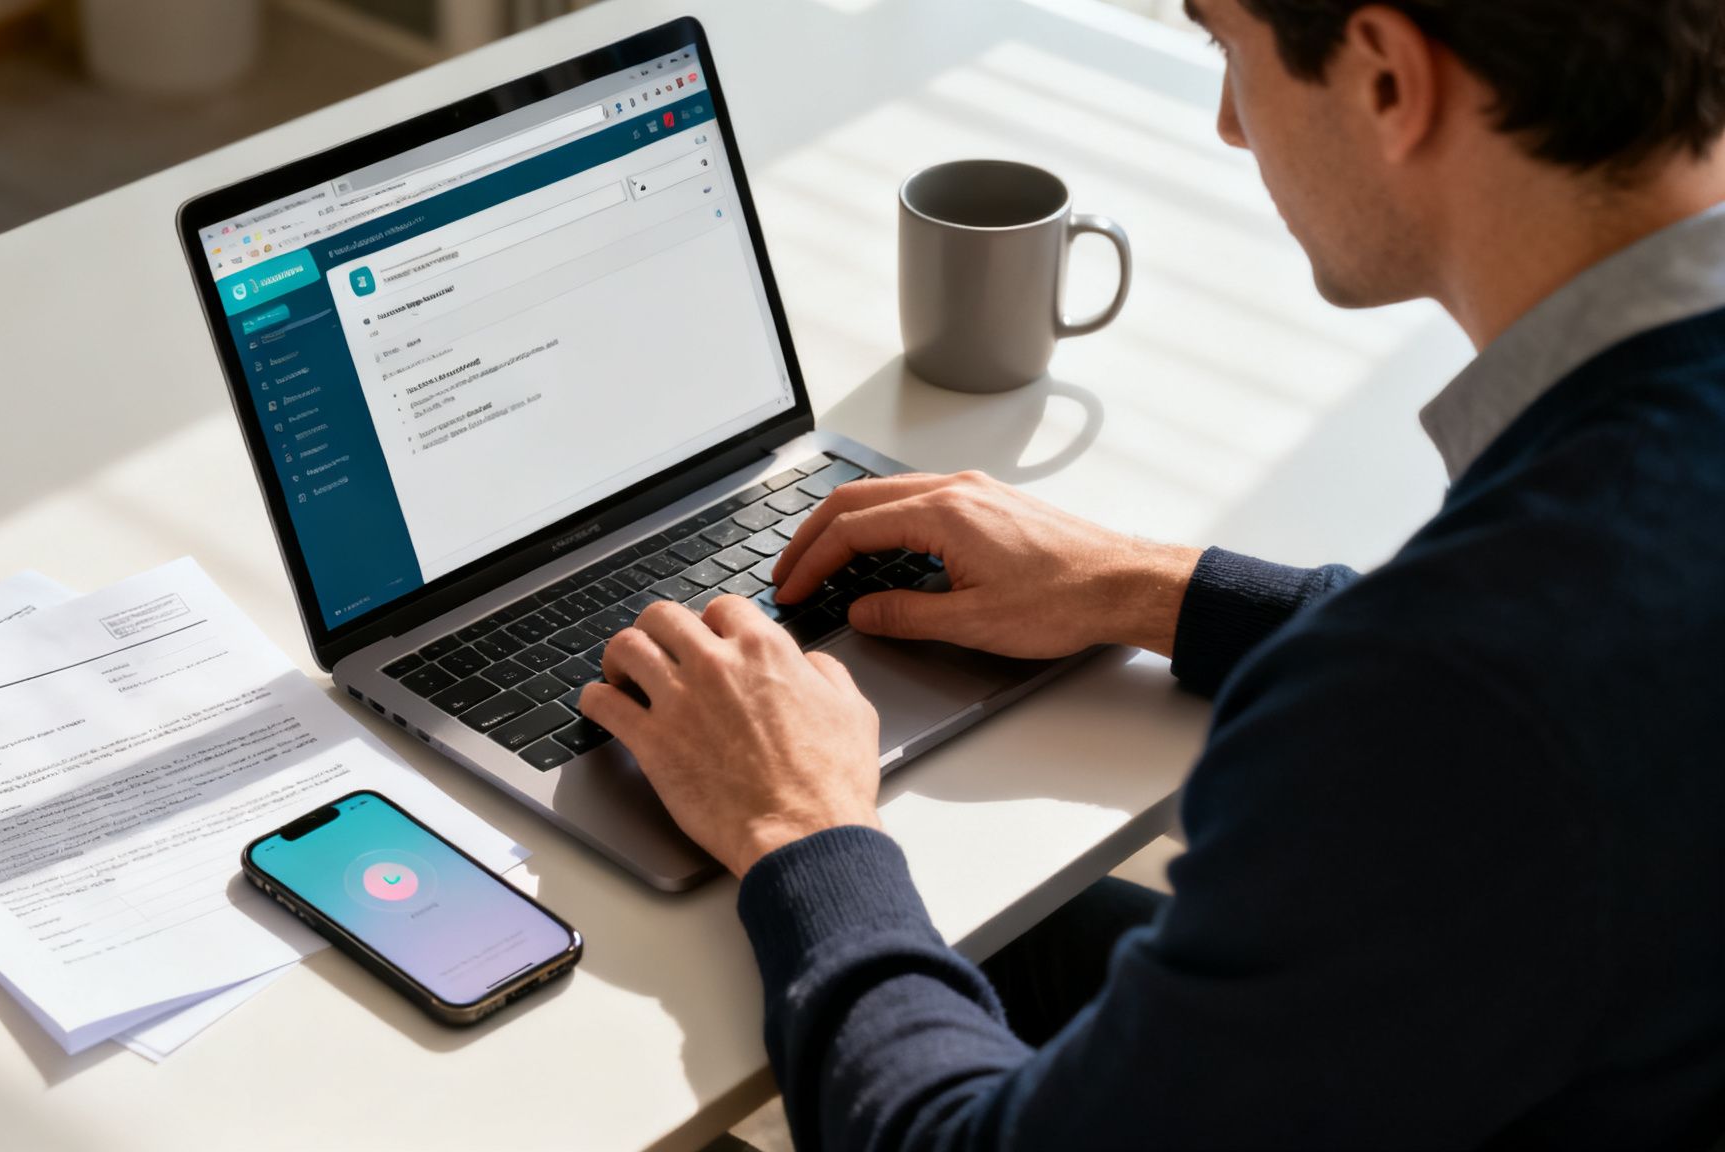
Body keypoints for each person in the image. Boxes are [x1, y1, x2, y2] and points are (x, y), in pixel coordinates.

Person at [577, 0, 1725, 1145]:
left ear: (1384, 77)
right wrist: (1145, 586)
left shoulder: (1451, 697)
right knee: (1006, 937)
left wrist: (796, 826)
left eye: (1228, 44)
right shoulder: (1590, 561)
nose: (1228, 122)